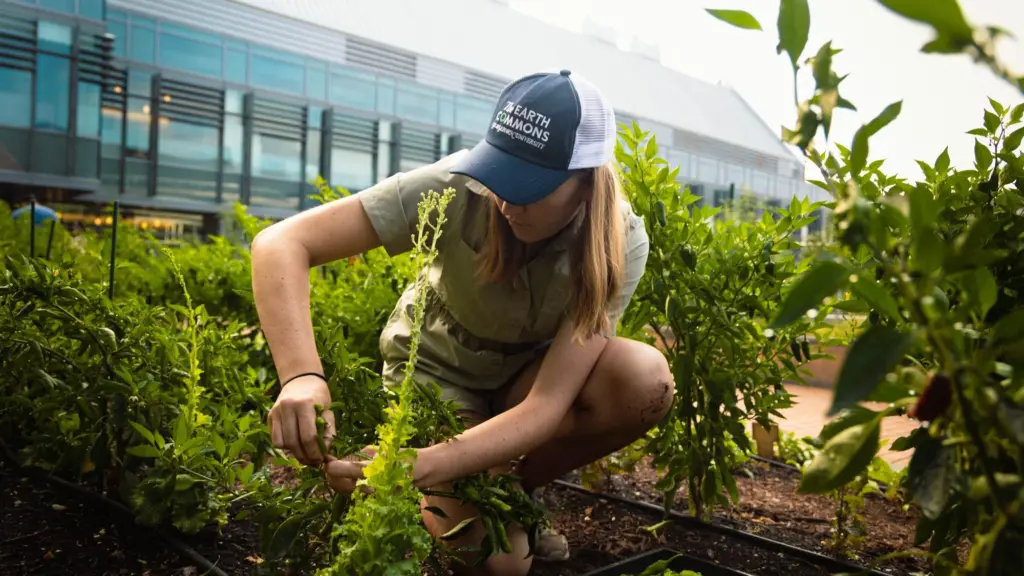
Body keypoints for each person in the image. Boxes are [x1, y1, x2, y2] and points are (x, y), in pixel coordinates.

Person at [252, 69, 674, 576]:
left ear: (586, 183)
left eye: (529, 187)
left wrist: (418, 464)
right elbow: (280, 243)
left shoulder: (618, 242)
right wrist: (301, 376)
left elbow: (546, 405)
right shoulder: (457, 186)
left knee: (644, 379)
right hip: (440, 375)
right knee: (502, 566)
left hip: (525, 386)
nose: (504, 200)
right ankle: (486, 487)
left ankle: (512, 487)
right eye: (501, 175)